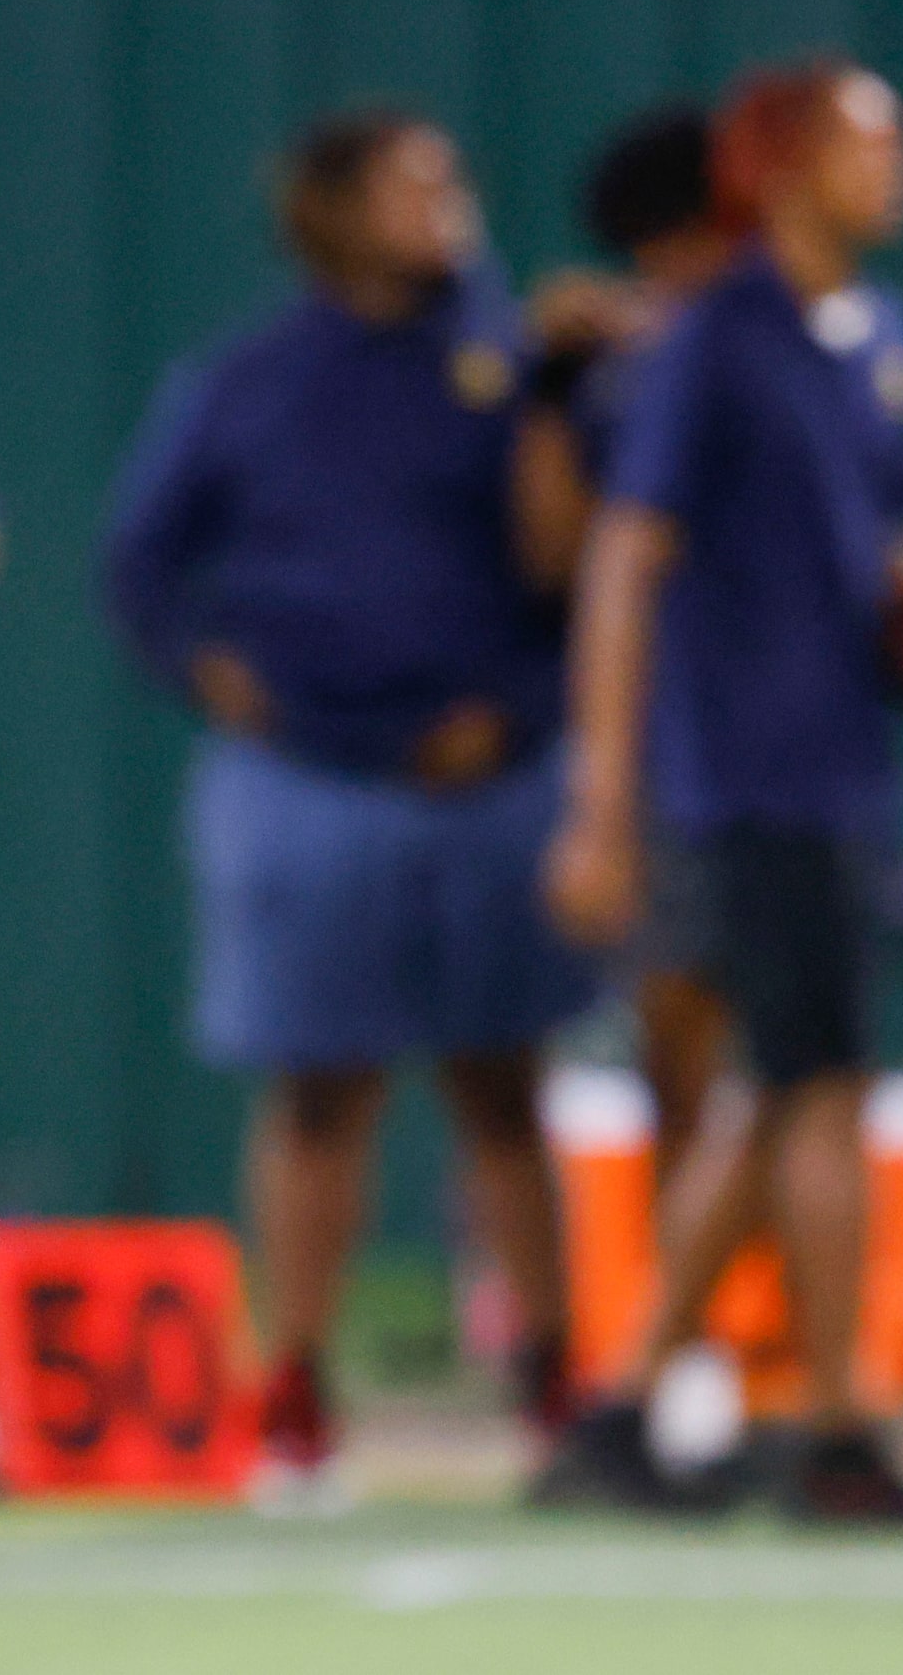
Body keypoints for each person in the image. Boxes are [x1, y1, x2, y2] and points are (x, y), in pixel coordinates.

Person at [538, 60, 903, 1528]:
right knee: (819, 1091)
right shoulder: (716, 338)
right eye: (871, 136)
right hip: (744, 771)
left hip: (845, 761)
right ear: (786, 165)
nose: (900, 160)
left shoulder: (876, 336)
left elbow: (876, 550)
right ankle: (839, 1430)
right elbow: (626, 558)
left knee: (787, 1092)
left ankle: (623, 1409)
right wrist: (607, 800)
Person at [104, 112, 592, 1502]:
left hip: (490, 784)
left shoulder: (516, 365)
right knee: (322, 1091)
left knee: (507, 1084)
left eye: (454, 176)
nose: (446, 202)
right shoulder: (249, 380)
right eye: (412, 181)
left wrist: (521, 704)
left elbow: (573, 562)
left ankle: (556, 1378)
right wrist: (215, 673)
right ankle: (299, 1389)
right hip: (309, 783)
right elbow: (139, 562)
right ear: (332, 210)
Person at [520, 106, 742, 1196]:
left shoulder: (818, 344)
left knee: (805, 1056)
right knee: (679, 1031)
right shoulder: (623, 370)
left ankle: (783, 1326)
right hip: (673, 739)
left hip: (792, 736)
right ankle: (690, 1333)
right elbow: (561, 558)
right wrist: (553, 390)